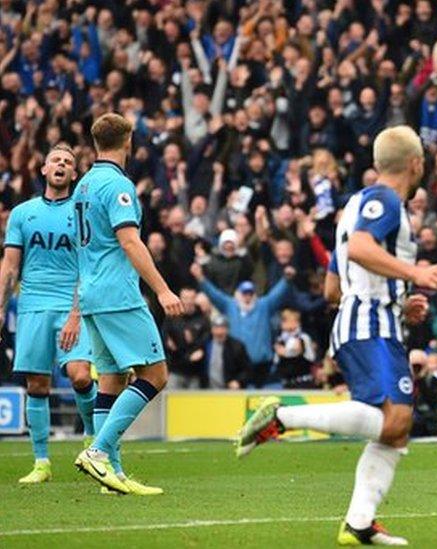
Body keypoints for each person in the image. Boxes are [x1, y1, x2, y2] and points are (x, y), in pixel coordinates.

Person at [234, 126, 437, 546]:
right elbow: (358, 249)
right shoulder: (387, 199)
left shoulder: (354, 204)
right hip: (369, 322)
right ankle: (282, 417)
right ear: (416, 164)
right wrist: (415, 273)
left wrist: (399, 300)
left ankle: (359, 523)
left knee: (396, 428)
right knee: (398, 420)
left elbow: (332, 289)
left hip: (372, 317)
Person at [73, 113, 185, 495]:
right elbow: (130, 241)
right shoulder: (117, 185)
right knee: (155, 375)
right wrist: (163, 289)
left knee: (112, 380)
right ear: (128, 141)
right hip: (117, 294)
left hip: (91, 293)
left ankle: (112, 477)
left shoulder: (84, 185)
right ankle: (100, 451)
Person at [0, 145, 97, 484]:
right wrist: (0, 309)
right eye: (56, 160)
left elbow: (88, 267)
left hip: (71, 306)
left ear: (74, 175)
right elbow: (10, 266)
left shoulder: (83, 213)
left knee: (81, 375)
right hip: (32, 307)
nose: (62, 164)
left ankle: (91, 440)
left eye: (69, 162)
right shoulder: (23, 213)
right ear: (44, 169)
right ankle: (41, 462)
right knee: (37, 385)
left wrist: (74, 314)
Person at [192, 266, 293, 388]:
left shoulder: (263, 306)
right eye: (244, 293)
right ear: (238, 294)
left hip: (262, 363)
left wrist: (286, 279)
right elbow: (214, 294)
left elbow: (277, 294)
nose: (247, 296)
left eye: (250, 293)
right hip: (238, 364)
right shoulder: (229, 305)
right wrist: (201, 278)